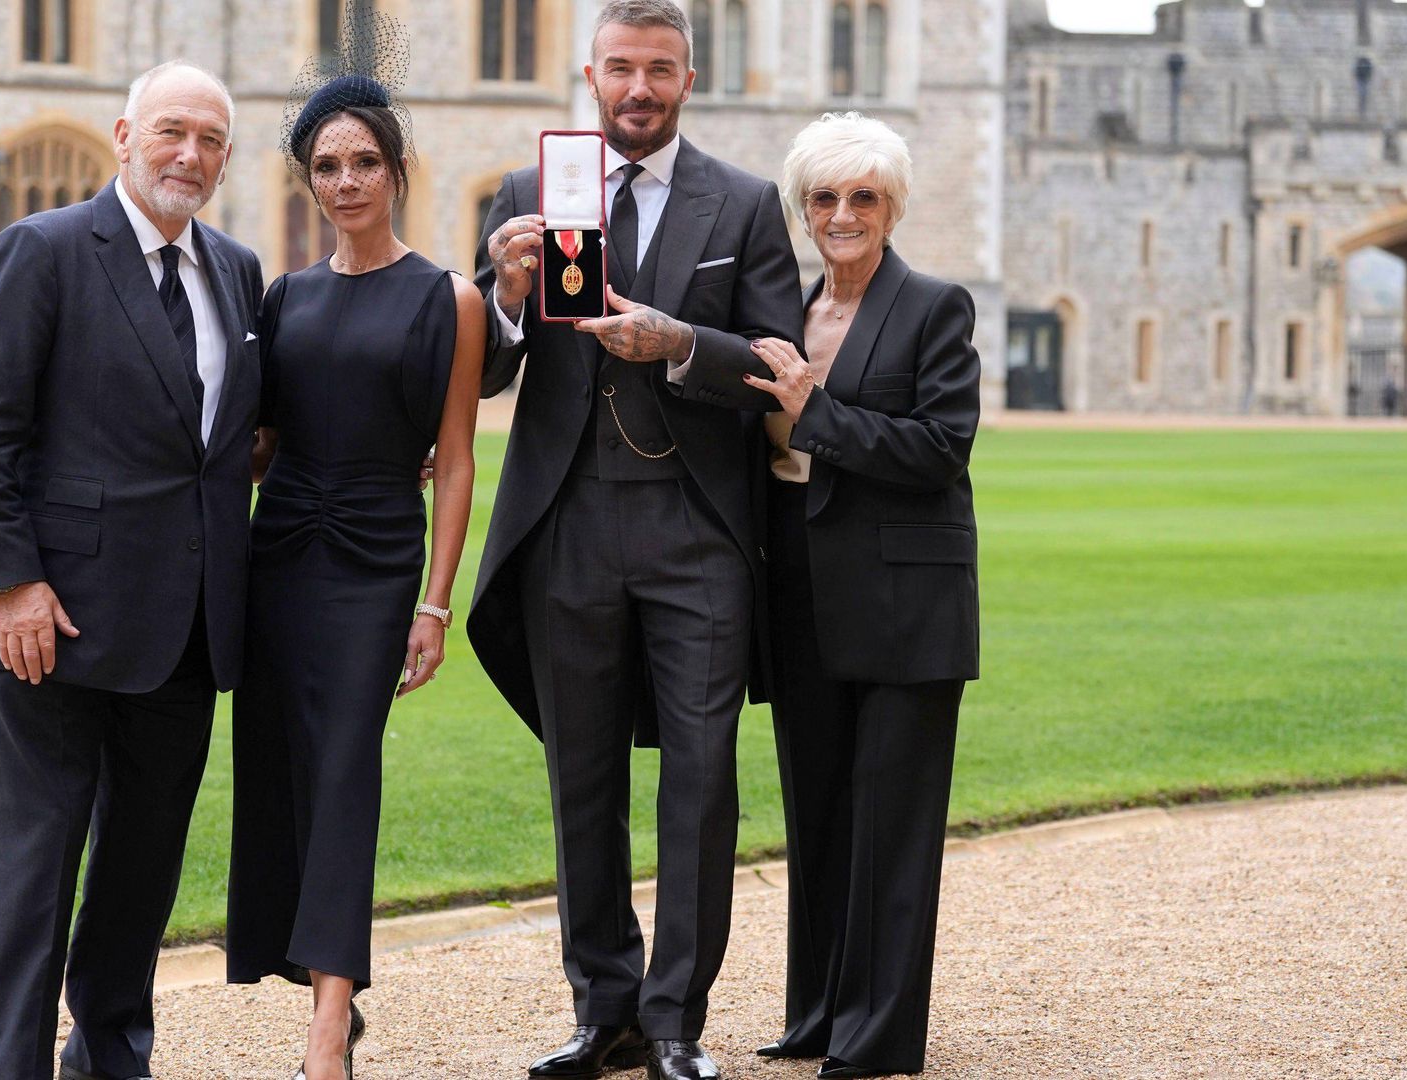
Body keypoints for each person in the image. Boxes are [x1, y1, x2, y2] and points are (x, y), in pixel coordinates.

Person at [468, 2, 803, 1077]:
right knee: (581, 776)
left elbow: (774, 366)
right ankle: (601, 1007)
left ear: (687, 80)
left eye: (660, 70)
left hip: (697, 530)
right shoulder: (529, 195)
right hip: (567, 520)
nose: (639, 88)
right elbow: (479, 376)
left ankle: (675, 1021)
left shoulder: (745, 205)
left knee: (702, 779)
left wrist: (679, 344)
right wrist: (505, 298)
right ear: (591, 74)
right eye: (621, 68)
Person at [0, 60, 262, 1080]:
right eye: (171, 132)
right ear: (123, 136)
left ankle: (111, 1053)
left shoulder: (237, 271)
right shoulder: (44, 251)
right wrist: (10, 582)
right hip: (54, 622)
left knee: (141, 868)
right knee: (33, 872)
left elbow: (228, 435)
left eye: (209, 139)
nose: (188, 154)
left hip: (188, 626)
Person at [223, 57, 487, 1080]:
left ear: (398, 170)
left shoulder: (448, 299)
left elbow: (458, 459)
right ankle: (325, 986)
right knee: (285, 777)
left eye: (365, 162)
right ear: (308, 181)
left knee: (346, 775)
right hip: (279, 557)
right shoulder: (283, 297)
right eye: (327, 166)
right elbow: (259, 446)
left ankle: (328, 1031)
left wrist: (435, 602)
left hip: (377, 566)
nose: (347, 182)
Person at [740, 113, 982, 1079]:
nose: (843, 215)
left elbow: (939, 451)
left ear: (892, 208)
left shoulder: (933, 306)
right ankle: (818, 1019)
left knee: (891, 820)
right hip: (799, 583)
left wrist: (816, 410)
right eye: (826, 199)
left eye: (863, 198)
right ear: (804, 211)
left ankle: (878, 1036)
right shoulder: (790, 313)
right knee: (820, 811)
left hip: (904, 600)